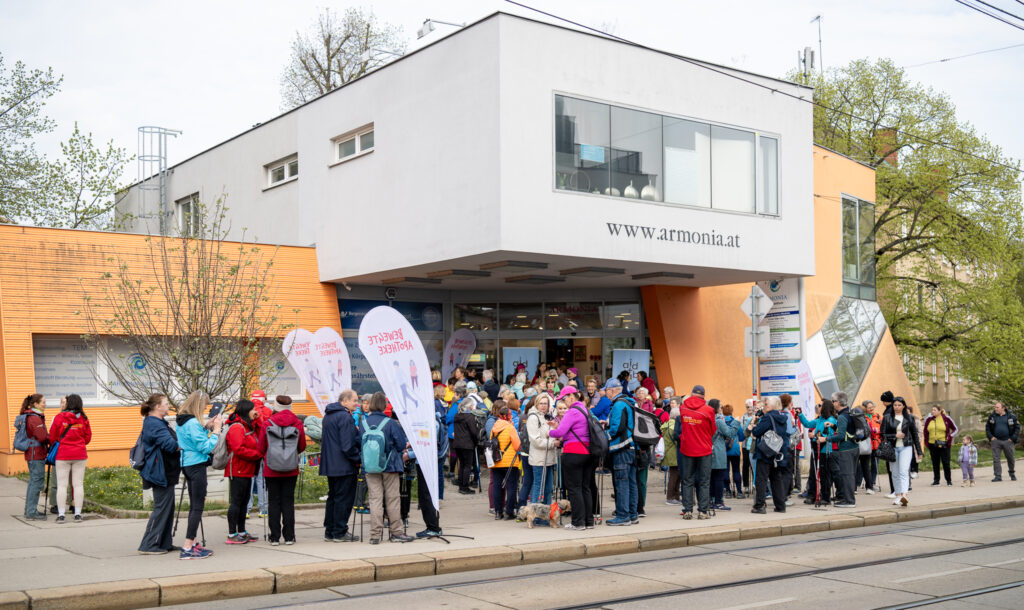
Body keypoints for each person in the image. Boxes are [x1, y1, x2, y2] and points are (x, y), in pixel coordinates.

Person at [361, 392, 415, 544]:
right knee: (392, 499)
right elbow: (399, 445)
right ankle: (396, 532)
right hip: (390, 465)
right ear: (384, 405)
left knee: (375, 500)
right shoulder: (390, 423)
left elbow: (359, 442)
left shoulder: (364, 423)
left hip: (370, 466)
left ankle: (375, 535)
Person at [176, 390, 221, 556]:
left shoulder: (181, 422)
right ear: (198, 405)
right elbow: (205, 447)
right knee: (197, 506)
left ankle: (193, 542)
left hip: (187, 463)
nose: (205, 408)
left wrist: (206, 427)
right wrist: (216, 430)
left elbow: (192, 440)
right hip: (196, 465)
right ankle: (188, 546)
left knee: (194, 505)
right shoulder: (193, 423)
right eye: (204, 405)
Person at [138, 394, 183, 555]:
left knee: (167, 508)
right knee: (161, 508)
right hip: (159, 472)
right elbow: (171, 445)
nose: (168, 405)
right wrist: (185, 444)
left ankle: (164, 542)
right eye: (166, 403)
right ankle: (148, 545)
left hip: (165, 471)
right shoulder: (154, 423)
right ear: (157, 407)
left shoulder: (158, 422)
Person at [258, 395, 306, 546]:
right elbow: (302, 445)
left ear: (275, 406)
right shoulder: (297, 423)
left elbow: (261, 447)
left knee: (273, 502)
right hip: (291, 468)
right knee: (288, 501)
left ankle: (274, 537)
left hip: (271, 468)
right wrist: (291, 454)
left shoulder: (267, 424)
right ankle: (290, 536)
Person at [319, 390, 362, 542]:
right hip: (344, 465)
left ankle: (330, 531)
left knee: (333, 497)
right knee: (344, 499)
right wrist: (359, 458)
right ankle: (340, 531)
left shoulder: (328, 416)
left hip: (331, 464)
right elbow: (347, 445)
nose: (357, 404)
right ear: (345, 400)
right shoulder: (345, 417)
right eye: (355, 400)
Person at [550, 399, 594, 529]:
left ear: (569, 398)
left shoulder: (572, 412)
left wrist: (550, 432)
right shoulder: (585, 411)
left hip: (573, 452)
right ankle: (589, 521)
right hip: (588, 452)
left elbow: (560, 433)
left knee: (574, 489)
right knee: (585, 488)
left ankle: (578, 522)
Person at [224, 399, 263, 544]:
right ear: (247, 410)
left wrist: (258, 420)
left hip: (247, 469)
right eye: (253, 409)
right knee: (236, 502)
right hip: (238, 469)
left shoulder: (247, 426)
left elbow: (259, 434)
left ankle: (241, 531)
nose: (256, 412)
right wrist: (257, 455)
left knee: (244, 502)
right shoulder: (237, 427)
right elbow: (238, 449)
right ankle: (232, 534)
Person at [48, 394, 92, 524]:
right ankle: (78, 514)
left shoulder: (59, 417)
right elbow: (88, 438)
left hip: (62, 455)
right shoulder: (83, 419)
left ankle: (61, 515)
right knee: (78, 485)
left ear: (68, 403)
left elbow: (52, 437)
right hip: (79, 455)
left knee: (62, 485)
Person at [674, 385, 716, 520]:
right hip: (704, 449)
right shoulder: (709, 410)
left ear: (691, 394)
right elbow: (713, 430)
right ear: (703, 396)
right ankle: (703, 511)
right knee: (704, 481)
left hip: (687, 448)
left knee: (687, 481)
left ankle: (687, 510)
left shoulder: (683, 408)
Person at [749, 396, 792, 514]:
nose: (764, 406)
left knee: (761, 479)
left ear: (773, 406)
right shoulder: (783, 417)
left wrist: (754, 425)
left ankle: (759, 506)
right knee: (776, 479)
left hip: (766, 452)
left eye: (766, 404)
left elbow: (757, 432)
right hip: (777, 452)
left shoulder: (768, 417)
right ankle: (780, 505)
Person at [605, 379, 638, 526]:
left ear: (612, 390)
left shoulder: (618, 405)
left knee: (621, 483)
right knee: (631, 483)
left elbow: (616, 428)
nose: (605, 394)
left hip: (621, 448)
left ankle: (623, 515)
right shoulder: (629, 402)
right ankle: (633, 514)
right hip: (631, 447)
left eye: (606, 391)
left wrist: (606, 434)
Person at [881, 396, 921, 506]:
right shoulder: (887, 417)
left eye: (899, 405)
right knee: (895, 472)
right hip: (892, 448)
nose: (897, 407)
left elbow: (915, 435)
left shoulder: (909, 418)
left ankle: (904, 495)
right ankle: (898, 495)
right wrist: (895, 435)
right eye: (895, 405)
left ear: (903, 406)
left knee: (903, 471)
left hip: (906, 447)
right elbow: (883, 435)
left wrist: (919, 451)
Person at [17, 394, 48, 520]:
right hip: (36, 454)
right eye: (43, 402)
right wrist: (54, 437)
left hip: (32, 453)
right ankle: (31, 512)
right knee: (37, 483)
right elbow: (41, 437)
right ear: (35, 404)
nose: (45, 404)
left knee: (33, 482)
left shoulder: (30, 416)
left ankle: (29, 510)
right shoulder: (35, 418)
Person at [800, 399, 837, 505]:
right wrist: (800, 415)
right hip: (816, 448)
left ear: (825, 407)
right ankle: (812, 495)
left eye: (820, 405)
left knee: (824, 474)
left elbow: (828, 434)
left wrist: (815, 436)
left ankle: (825, 496)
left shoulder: (831, 420)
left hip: (825, 449)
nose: (818, 406)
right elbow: (807, 424)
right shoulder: (819, 419)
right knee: (813, 473)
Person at [825, 391, 858, 508]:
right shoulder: (849, 413)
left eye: (833, 401)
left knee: (847, 475)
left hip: (846, 449)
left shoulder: (842, 417)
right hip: (854, 447)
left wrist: (826, 439)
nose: (832, 403)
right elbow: (847, 430)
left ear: (838, 402)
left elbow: (840, 436)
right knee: (850, 474)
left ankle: (849, 501)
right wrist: (833, 426)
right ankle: (848, 498)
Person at [489, 406, 522, 521]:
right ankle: (509, 512)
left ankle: (498, 512)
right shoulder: (510, 428)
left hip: (496, 461)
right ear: (508, 416)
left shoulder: (494, 428)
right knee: (511, 487)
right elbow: (517, 445)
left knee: (497, 487)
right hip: (510, 462)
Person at [527, 392, 558, 505]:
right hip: (539, 459)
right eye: (541, 403)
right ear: (536, 404)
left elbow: (551, 434)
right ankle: (535, 515)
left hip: (549, 458)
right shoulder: (533, 418)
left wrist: (555, 429)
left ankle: (546, 514)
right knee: (538, 487)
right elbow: (535, 440)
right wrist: (552, 443)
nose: (543, 406)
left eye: (545, 403)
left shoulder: (547, 417)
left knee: (548, 488)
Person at [709, 399, 735, 511]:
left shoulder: (708, 419)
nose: (721, 408)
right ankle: (719, 502)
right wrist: (736, 423)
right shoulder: (718, 421)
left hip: (708, 451)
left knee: (710, 479)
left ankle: (710, 500)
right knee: (719, 478)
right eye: (720, 406)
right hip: (718, 451)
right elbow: (730, 433)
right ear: (716, 408)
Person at [248, 389, 271, 518]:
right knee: (261, 479)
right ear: (264, 399)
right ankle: (263, 509)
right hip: (263, 448)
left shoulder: (247, 410)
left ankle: (247, 509)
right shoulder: (267, 411)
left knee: (250, 478)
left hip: (250, 447)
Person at [923, 405, 959, 487]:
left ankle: (948, 480)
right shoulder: (929, 419)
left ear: (940, 411)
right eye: (932, 410)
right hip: (932, 444)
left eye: (934, 410)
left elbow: (955, 429)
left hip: (944, 444)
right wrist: (926, 442)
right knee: (935, 463)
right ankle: (936, 481)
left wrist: (949, 436)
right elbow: (925, 431)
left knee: (946, 463)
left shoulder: (946, 419)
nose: (932, 411)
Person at [452, 395, 480, 494]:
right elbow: (473, 432)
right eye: (472, 405)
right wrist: (476, 441)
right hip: (467, 444)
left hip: (458, 443)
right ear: (469, 406)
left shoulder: (457, 416)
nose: (473, 406)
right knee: (467, 465)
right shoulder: (469, 417)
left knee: (462, 464)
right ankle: (464, 487)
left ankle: (461, 485)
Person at [986, 402, 1019, 482]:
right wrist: (991, 437)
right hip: (996, 441)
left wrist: (1012, 438)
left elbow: (1017, 428)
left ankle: (1012, 473)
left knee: (1010, 458)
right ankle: (998, 476)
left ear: (1003, 408)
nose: (995, 409)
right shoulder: (992, 417)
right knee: (996, 459)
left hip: (1008, 441)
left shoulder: (1011, 416)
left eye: (997, 407)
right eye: (995, 407)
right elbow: (987, 427)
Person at [660, 400, 681, 505]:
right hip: (675, 454)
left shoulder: (666, 425)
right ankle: (671, 497)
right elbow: (678, 441)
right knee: (675, 476)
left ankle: (675, 497)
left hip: (669, 453)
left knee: (675, 475)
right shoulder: (674, 427)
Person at [722, 404, 744, 499]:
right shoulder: (736, 422)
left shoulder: (721, 422)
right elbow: (742, 437)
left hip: (724, 450)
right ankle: (739, 492)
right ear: (732, 411)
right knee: (736, 470)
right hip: (734, 449)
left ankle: (728, 492)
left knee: (726, 471)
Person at [740, 399, 757, 494]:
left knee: (753, 465)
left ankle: (755, 484)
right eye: (747, 407)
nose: (749, 408)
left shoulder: (756, 416)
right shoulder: (743, 417)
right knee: (745, 465)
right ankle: (746, 485)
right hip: (745, 444)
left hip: (752, 444)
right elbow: (743, 431)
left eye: (750, 406)